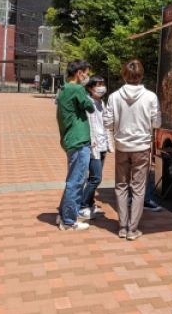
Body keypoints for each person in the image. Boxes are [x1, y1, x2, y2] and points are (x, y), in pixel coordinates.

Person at [104, 59, 161, 240]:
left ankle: (122, 226)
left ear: (124, 75)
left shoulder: (114, 96)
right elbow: (157, 122)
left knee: (121, 186)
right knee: (138, 187)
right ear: (141, 75)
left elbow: (107, 122)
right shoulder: (150, 97)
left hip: (122, 146)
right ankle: (132, 229)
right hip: (142, 147)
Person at [55, 60, 94, 231]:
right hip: (79, 140)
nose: (87, 77)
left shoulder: (63, 89)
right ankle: (69, 221)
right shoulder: (77, 89)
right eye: (86, 73)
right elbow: (91, 107)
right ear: (79, 73)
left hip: (70, 139)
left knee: (73, 179)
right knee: (76, 181)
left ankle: (64, 214)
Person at [78, 76, 113, 219]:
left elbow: (105, 124)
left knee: (93, 177)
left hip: (103, 144)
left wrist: (109, 143)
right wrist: (91, 142)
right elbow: (88, 125)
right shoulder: (88, 103)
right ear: (90, 88)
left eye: (103, 84)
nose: (101, 87)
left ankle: (90, 203)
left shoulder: (102, 103)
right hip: (94, 145)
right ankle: (82, 205)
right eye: (98, 85)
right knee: (96, 178)